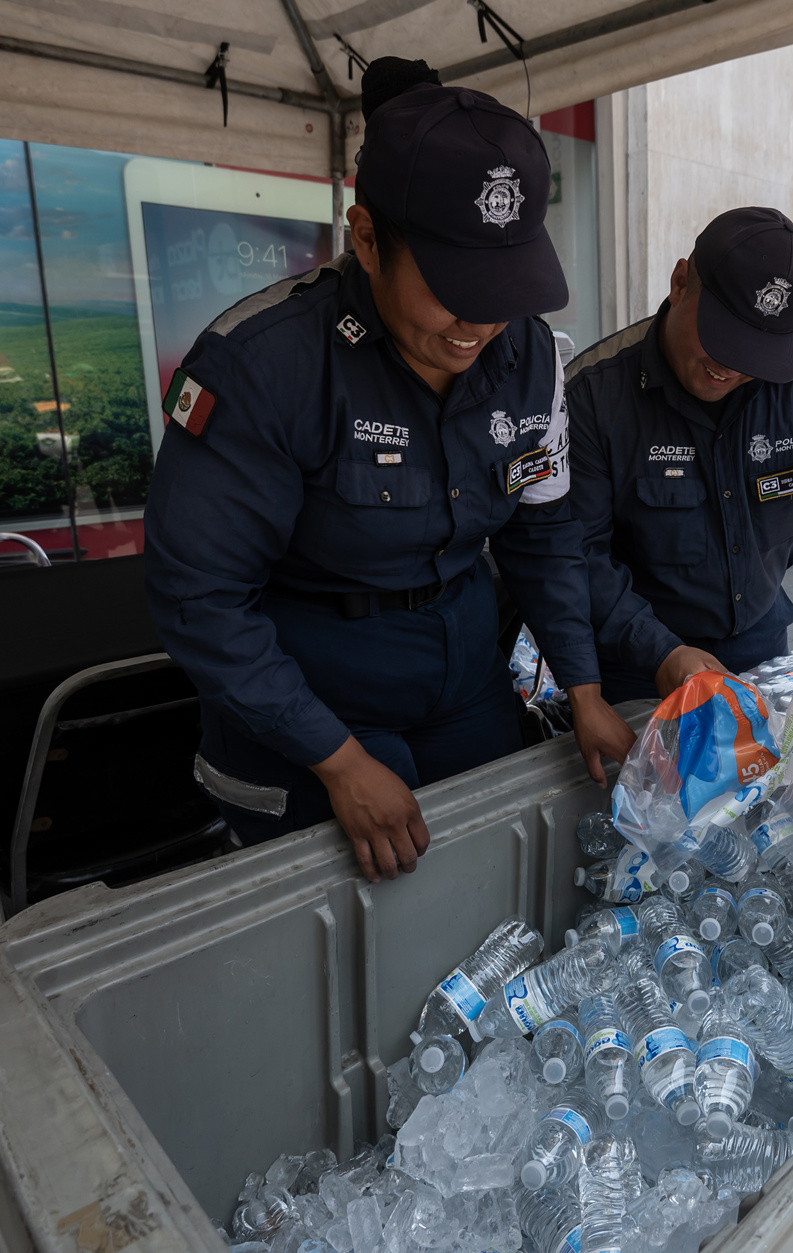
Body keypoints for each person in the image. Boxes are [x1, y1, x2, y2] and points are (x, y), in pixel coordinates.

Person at [141, 59, 633, 883]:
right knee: (336, 940)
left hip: (464, 678)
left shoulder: (533, 360)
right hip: (310, 694)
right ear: (365, 238)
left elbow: (545, 536)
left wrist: (583, 687)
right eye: (453, 288)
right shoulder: (265, 366)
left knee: (483, 891)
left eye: (503, 286)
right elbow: (200, 598)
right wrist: (334, 759)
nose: (480, 323)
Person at [565, 207, 793, 704]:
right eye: (724, 338)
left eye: (757, 351)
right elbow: (577, 552)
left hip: (764, 649)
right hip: (637, 665)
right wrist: (658, 650)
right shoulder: (593, 394)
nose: (733, 367)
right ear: (680, 283)